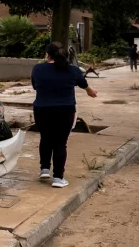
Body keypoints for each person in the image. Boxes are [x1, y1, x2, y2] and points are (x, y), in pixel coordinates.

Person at [31, 42, 98, 188]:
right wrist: (90, 90)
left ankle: (44, 169)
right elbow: (83, 83)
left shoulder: (38, 69)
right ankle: (58, 178)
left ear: (47, 55)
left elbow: (35, 86)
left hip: (42, 110)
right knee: (60, 143)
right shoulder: (72, 70)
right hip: (65, 110)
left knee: (46, 138)